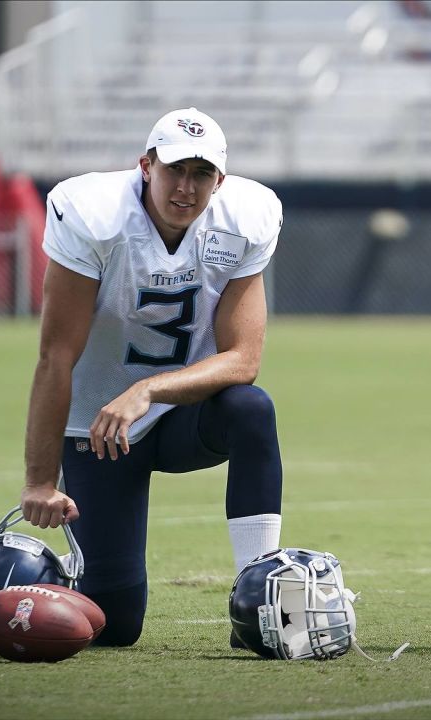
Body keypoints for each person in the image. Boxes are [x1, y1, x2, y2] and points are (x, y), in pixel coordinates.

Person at [18, 108, 284, 647]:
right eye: (174, 170)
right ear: (146, 165)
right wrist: (40, 481)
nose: (186, 188)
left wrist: (148, 390)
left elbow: (243, 359)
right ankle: (34, 577)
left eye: (201, 174)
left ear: (220, 181)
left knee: (251, 407)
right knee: (112, 625)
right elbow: (55, 357)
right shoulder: (92, 215)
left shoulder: (246, 218)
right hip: (99, 426)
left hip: (184, 412)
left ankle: (260, 593)